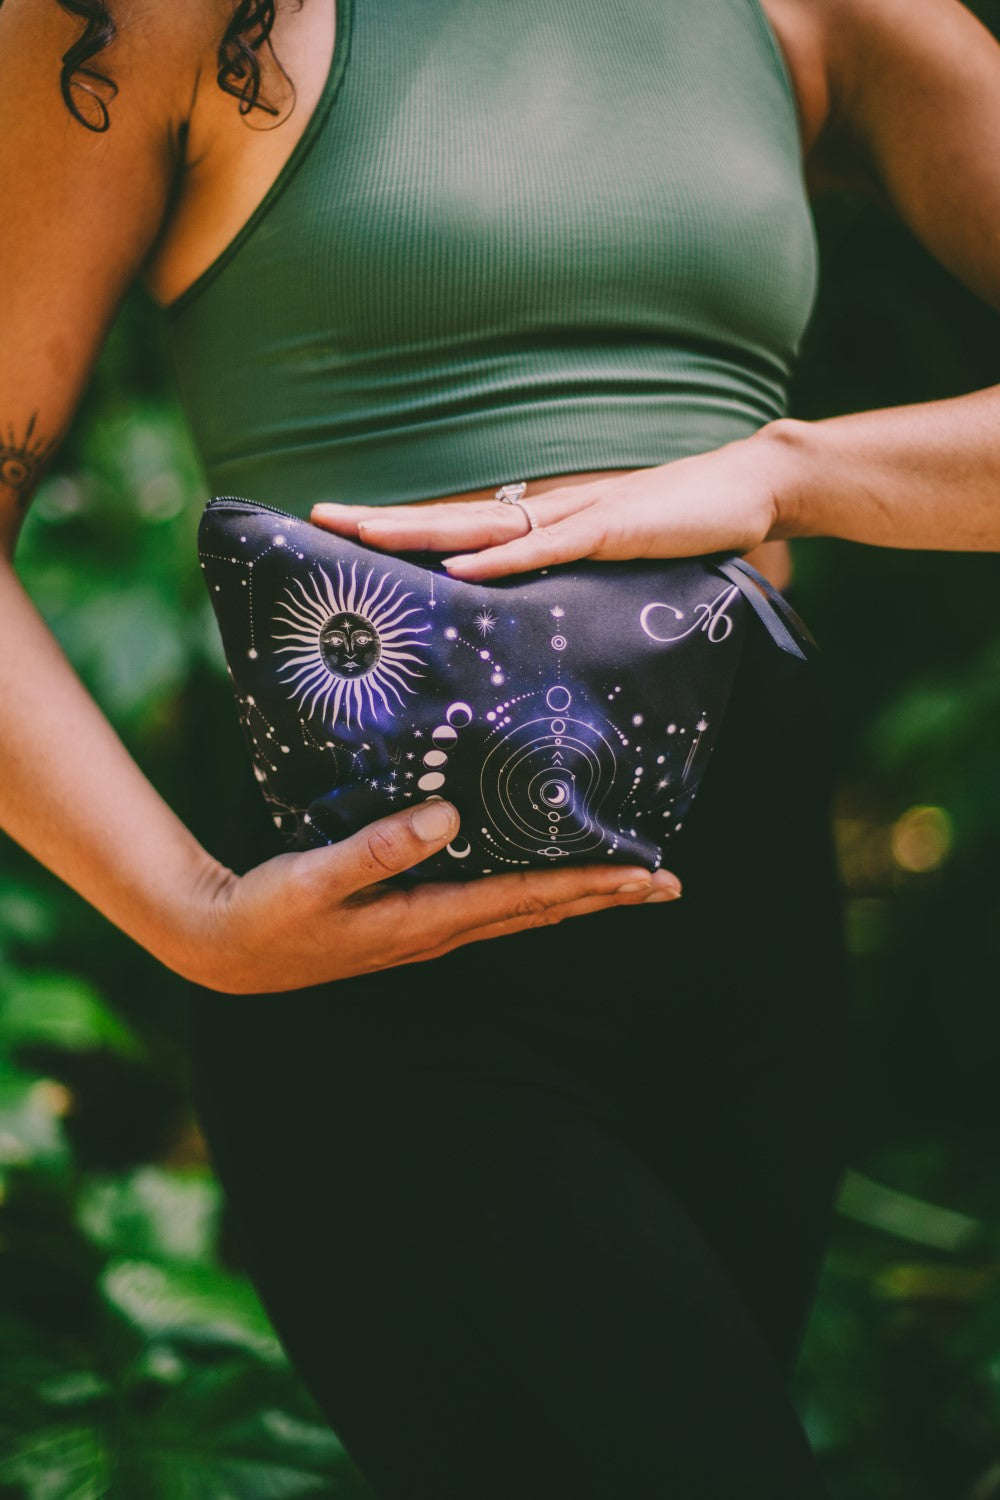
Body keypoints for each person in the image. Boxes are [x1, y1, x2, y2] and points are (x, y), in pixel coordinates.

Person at [3, 0, 999, 1496]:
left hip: (747, 953)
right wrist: (187, 916)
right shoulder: (156, 20)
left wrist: (787, 472)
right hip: (388, 978)